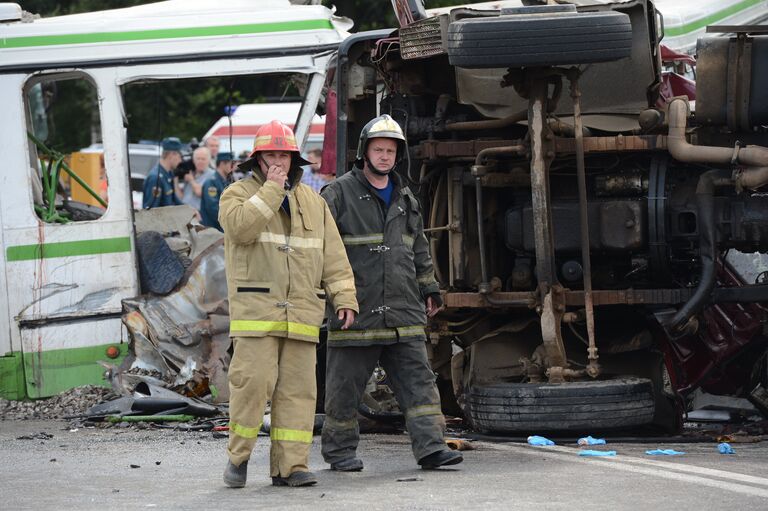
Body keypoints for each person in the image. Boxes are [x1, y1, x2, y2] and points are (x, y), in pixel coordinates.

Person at [218, 120, 358, 489]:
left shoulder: (314, 202)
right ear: (258, 160)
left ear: (294, 159)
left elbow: (334, 256)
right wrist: (270, 191)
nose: (278, 161)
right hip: (256, 315)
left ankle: (292, 466)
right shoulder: (235, 195)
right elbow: (240, 229)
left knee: (299, 393)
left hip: (302, 314)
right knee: (252, 386)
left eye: (284, 154)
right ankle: (239, 457)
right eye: (271, 155)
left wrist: (344, 297)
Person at [320, 114, 462, 472]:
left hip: (403, 310)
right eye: (378, 149)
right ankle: (340, 453)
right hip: (356, 311)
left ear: (398, 156)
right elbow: (320, 251)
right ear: (363, 152)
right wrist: (334, 298)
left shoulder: (405, 197)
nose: (384, 156)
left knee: (419, 384)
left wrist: (429, 287)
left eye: (390, 151)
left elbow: (418, 248)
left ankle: (431, 448)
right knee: (344, 389)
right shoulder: (337, 194)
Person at [142, 137, 184, 209]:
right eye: (180, 157)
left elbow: (175, 200)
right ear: (172, 155)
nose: (180, 161)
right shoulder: (155, 178)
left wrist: (189, 210)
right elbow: (152, 210)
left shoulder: (169, 174)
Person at [200, 151, 234, 231]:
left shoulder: (226, 181)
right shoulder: (211, 182)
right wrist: (230, 221)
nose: (233, 167)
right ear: (222, 164)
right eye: (231, 164)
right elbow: (213, 208)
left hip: (222, 227)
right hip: (214, 229)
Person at [180, 146, 214, 211]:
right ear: (193, 160)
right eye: (198, 159)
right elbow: (181, 196)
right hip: (184, 212)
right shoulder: (191, 173)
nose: (200, 161)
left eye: (203, 159)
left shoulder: (212, 175)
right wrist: (175, 178)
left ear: (209, 160)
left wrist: (192, 181)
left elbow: (200, 193)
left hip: (198, 214)